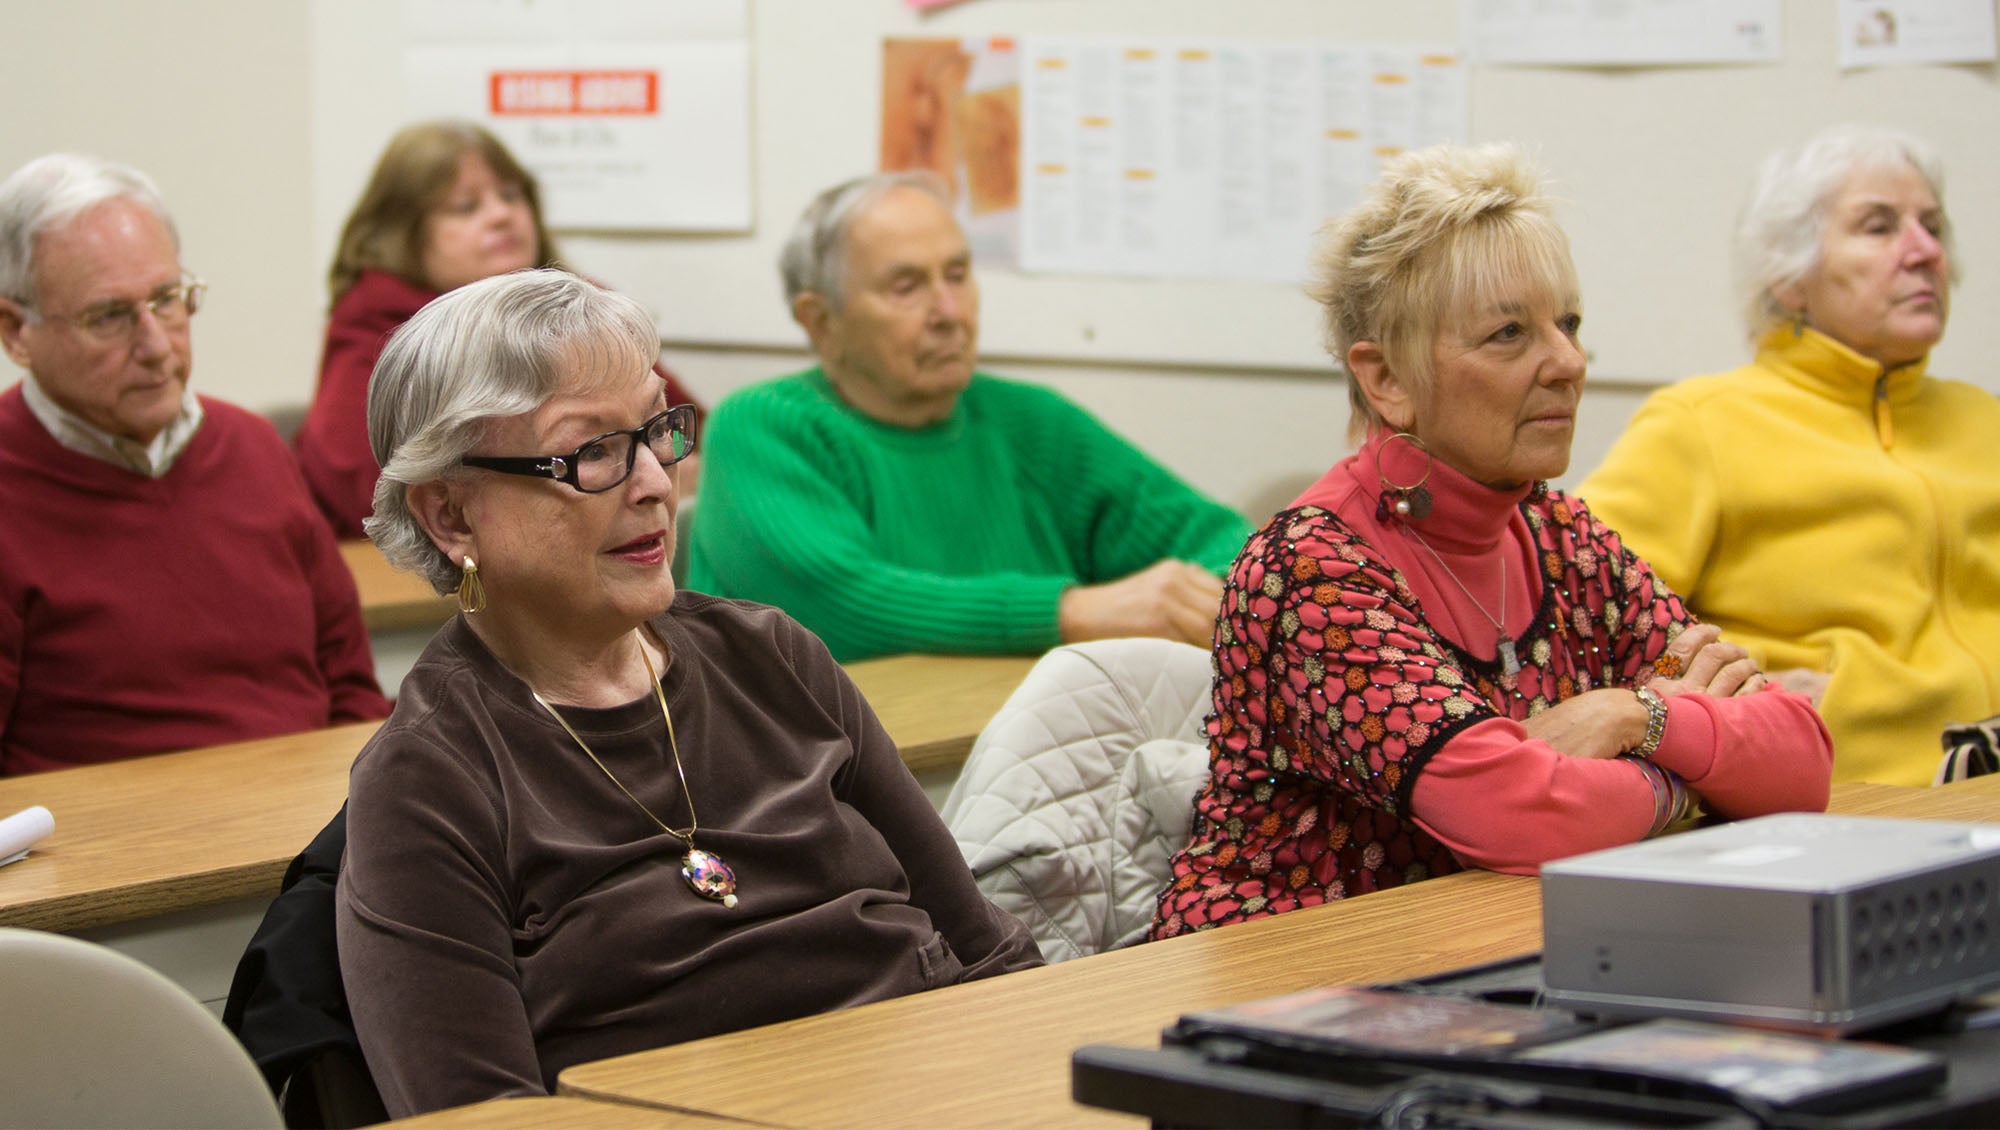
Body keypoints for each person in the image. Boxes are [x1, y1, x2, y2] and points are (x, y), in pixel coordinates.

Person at [335, 269, 1041, 1116]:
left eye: (655, 429)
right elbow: (486, 1118)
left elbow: (990, 959)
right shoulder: (430, 780)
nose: (656, 483)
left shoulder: (773, 658)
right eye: (593, 450)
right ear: (451, 516)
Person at [1152, 143, 1833, 939]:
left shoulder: (1559, 533)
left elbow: (1801, 765)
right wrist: (1697, 783)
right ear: (1388, 382)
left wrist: (1632, 718)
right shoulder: (1312, 570)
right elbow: (1517, 815)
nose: (1570, 362)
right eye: (1509, 333)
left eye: (1568, 323)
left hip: (1490, 964)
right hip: (1288, 981)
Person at [685, 171, 1253, 662]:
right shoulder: (763, 427)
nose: (950, 313)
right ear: (820, 322)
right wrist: (1071, 613)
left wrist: (1189, 602)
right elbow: (835, 604)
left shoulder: (1031, 421)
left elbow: (1224, 543)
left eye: (957, 275)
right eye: (907, 287)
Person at [1580, 126, 2000, 787]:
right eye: (1879, 226)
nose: (1925, 252)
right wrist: (1733, 697)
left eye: (1933, 226)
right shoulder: (1702, 424)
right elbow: (1575, 614)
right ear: (1790, 276)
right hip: (1843, 802)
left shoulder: (1985, 420)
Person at [0, 154, 390, 775]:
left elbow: (349, 688)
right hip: (109, 860)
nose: (157, 346)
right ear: (17, 330)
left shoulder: (253, 447)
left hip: (305, 839)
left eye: (168, 300)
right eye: (110, 316)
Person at [294, 119, 703, 540]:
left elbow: (687, 429)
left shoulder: (581, 312)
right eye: (466, 207)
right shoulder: (380, 326)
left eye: (511, 195)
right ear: (404, 233)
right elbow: (369, 495)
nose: (502, 215)